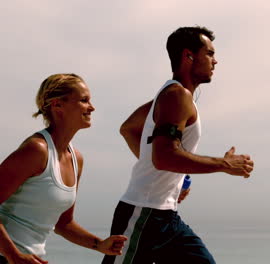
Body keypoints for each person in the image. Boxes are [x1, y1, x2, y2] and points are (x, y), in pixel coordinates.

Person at [102, 26, 254, 264]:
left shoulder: (170, 95)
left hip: (166, 216)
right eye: (210, 53)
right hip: (143, 213)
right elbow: (163, 156)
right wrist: (224, 164)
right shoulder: (176, 96)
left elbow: (129, 129)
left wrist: (177, 176)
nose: (216, 61)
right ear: (188, 56)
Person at [0, 73, 127, 264]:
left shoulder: (76, 159)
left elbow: (63, 224)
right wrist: (13, 255)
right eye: (84, 101)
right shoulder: (36, 150)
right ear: (58, 105)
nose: (91, 107)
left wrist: (99, 244)